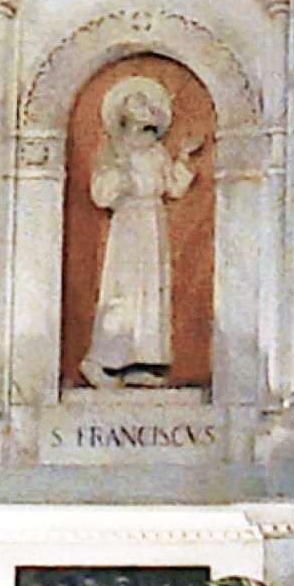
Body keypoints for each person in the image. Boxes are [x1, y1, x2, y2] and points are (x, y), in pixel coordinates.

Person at [80, 74, 205, 387]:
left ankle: (137, 361)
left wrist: (184, 156)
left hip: (153, 223)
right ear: (125, 114)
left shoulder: (156, 152)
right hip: (128, 224)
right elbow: (101, 195)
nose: (146, 109)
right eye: (138, 104)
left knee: (150, 293)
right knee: (122, 292)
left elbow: (173, 188)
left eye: (148, 104)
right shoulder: (114, 151)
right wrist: (120, 174)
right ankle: (98, 361)